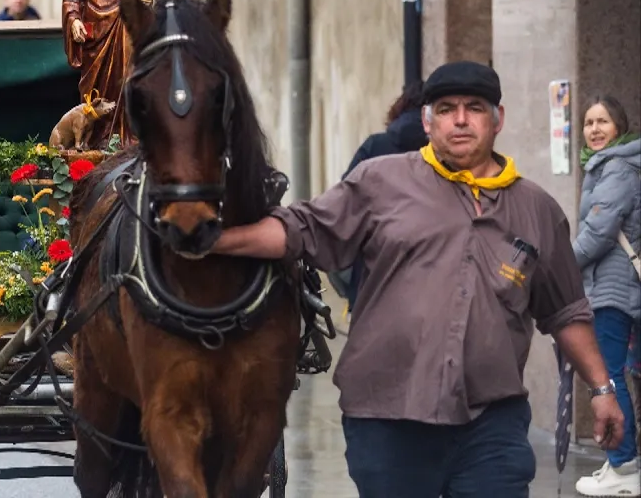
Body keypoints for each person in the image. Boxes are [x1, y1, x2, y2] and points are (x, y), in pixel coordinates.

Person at [212, 61, 624, 498]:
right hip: (388, 421)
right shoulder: (380, 181)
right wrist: (217, 240)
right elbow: (302, 229)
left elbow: (565, 311)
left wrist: (601, 390)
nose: (460, 119)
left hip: (491, 424)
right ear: (428, 120)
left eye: (474, 108)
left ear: (498, 119)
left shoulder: (536, 210)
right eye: (446, 108)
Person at [571, 96, 641, 497]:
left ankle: (624, 465)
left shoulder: (617, 168)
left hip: (613, 290)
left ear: (620, 127)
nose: (594, 130)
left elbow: (598, 233)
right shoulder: (610, 165)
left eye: (603, 122)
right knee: (615, 374)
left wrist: (561, 264)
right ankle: (618, 460)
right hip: (610, 285)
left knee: (609, 378)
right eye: (588, 123)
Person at [328, 82, 429, 309]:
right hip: (428, 277)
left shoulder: (375, 146)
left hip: (372, 274)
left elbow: (344, 202)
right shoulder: (445, 153)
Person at [61, 0, 155, 148]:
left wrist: (146, 1)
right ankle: (94, 140)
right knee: (95, 92)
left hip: (125, 38)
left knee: (128, 82)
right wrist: (74, 20)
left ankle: (126, 138)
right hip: (99, 40)